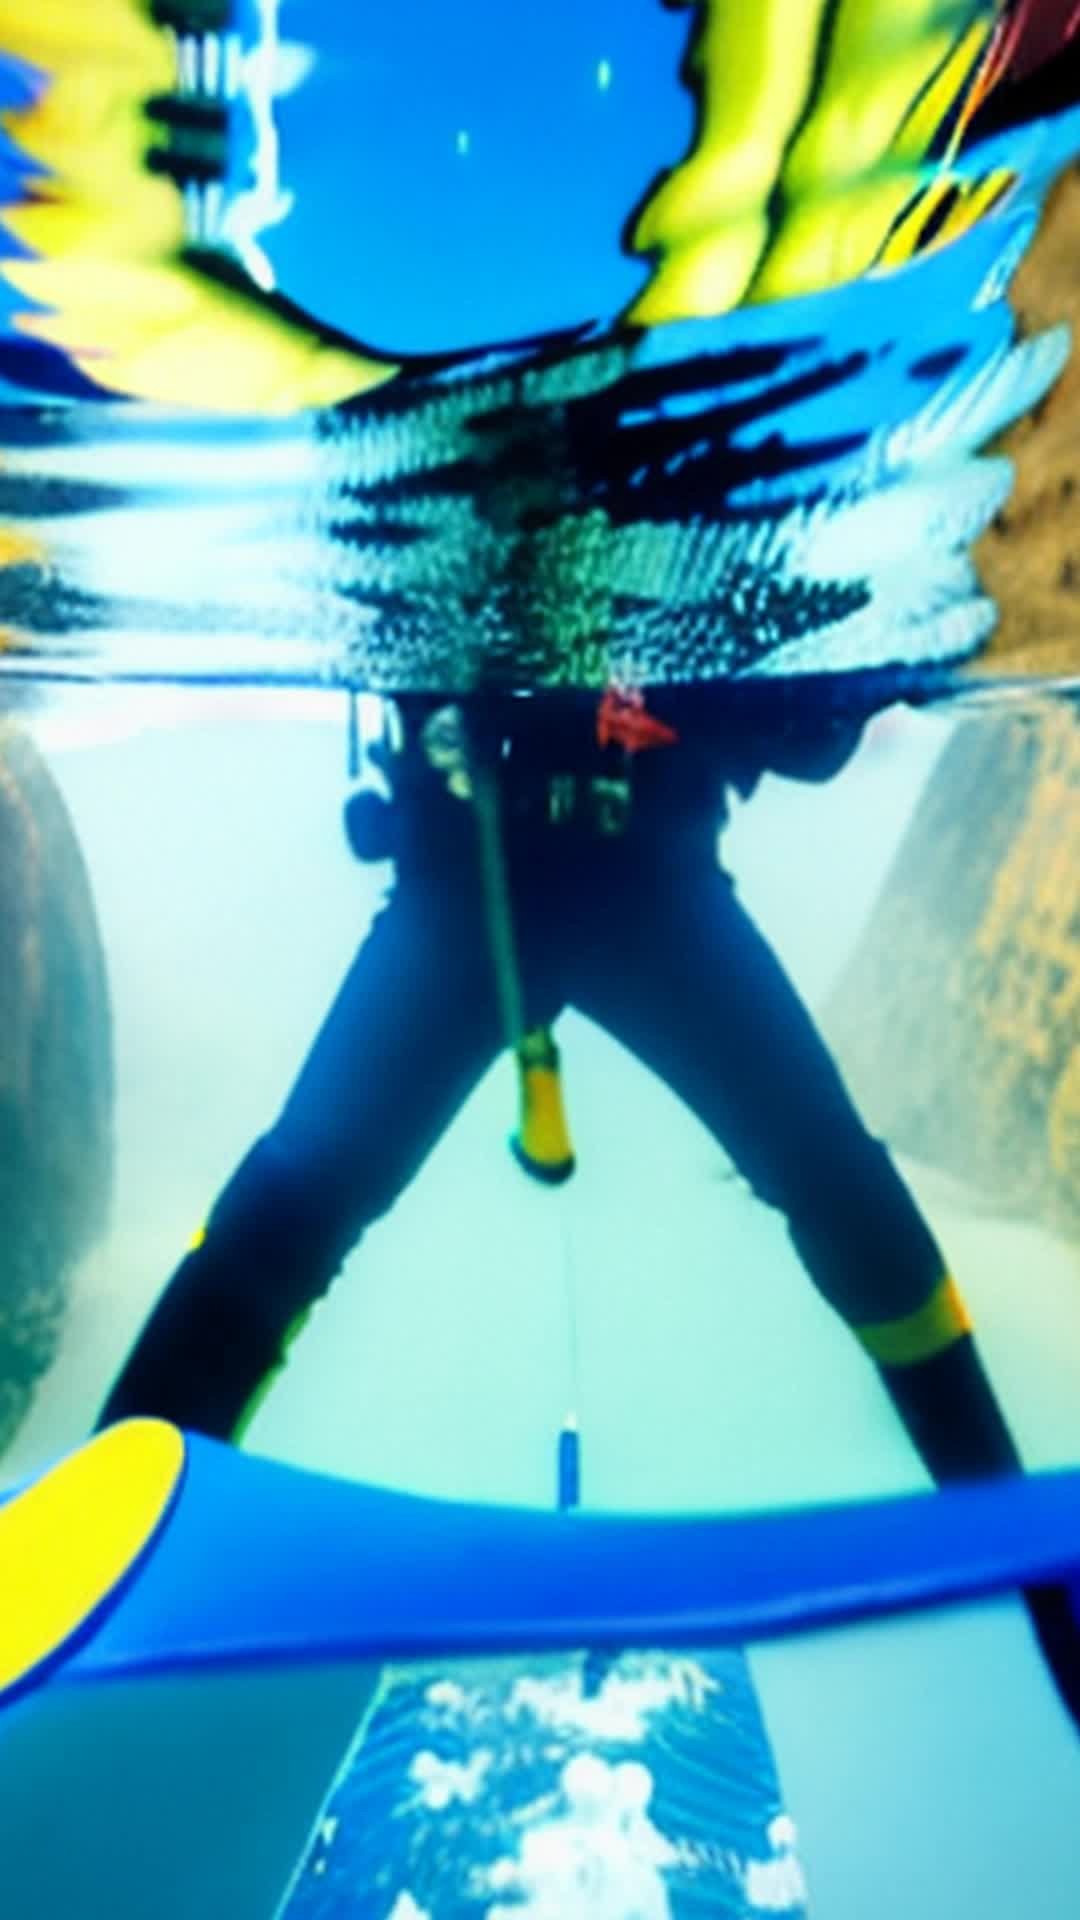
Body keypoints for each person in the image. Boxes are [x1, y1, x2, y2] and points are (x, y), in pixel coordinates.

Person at [96, 680, 1022, 1498]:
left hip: (598, 883)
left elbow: (818, 738)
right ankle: (102, 1524)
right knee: (297, 1195)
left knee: (299, 1193)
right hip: (536, 886)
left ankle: (1011, 1529)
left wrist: (782, 698)